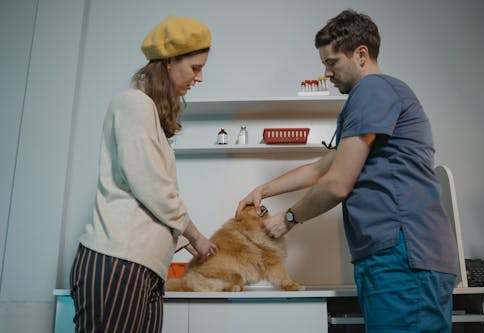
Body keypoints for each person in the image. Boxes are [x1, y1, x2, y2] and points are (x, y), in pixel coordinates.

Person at [237, 9, 458, 332]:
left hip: (402, 256)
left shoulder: (373, 90)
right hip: (396, 256)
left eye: (331, 62)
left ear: (361, 54)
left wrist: (288, 219)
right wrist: (264, 190)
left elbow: (338, 183)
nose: (327, 72)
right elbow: (322, 167)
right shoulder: (376, 98)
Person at [70, 16, 218, 332]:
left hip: (142, 268)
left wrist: (180, 236)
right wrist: (195, 235)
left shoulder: (146, 111)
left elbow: (149, 198)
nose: (200, 77)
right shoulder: (133, 104)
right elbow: (152, 186)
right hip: (117, 265)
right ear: (167, 63)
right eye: (195, 67)